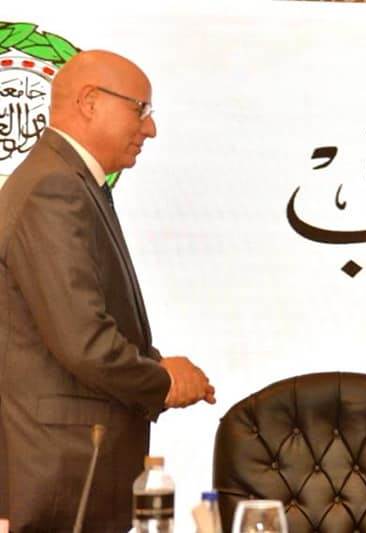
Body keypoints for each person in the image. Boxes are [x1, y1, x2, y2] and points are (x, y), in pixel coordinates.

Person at [0, 50, 214, 531]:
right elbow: (83, 342)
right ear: (90, 101)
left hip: (73, 469)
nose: (150, 128)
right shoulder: (53, 188)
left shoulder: (71, 182)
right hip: (61, 476)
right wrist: (163, 381)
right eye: (140, 109)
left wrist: (156, 365)